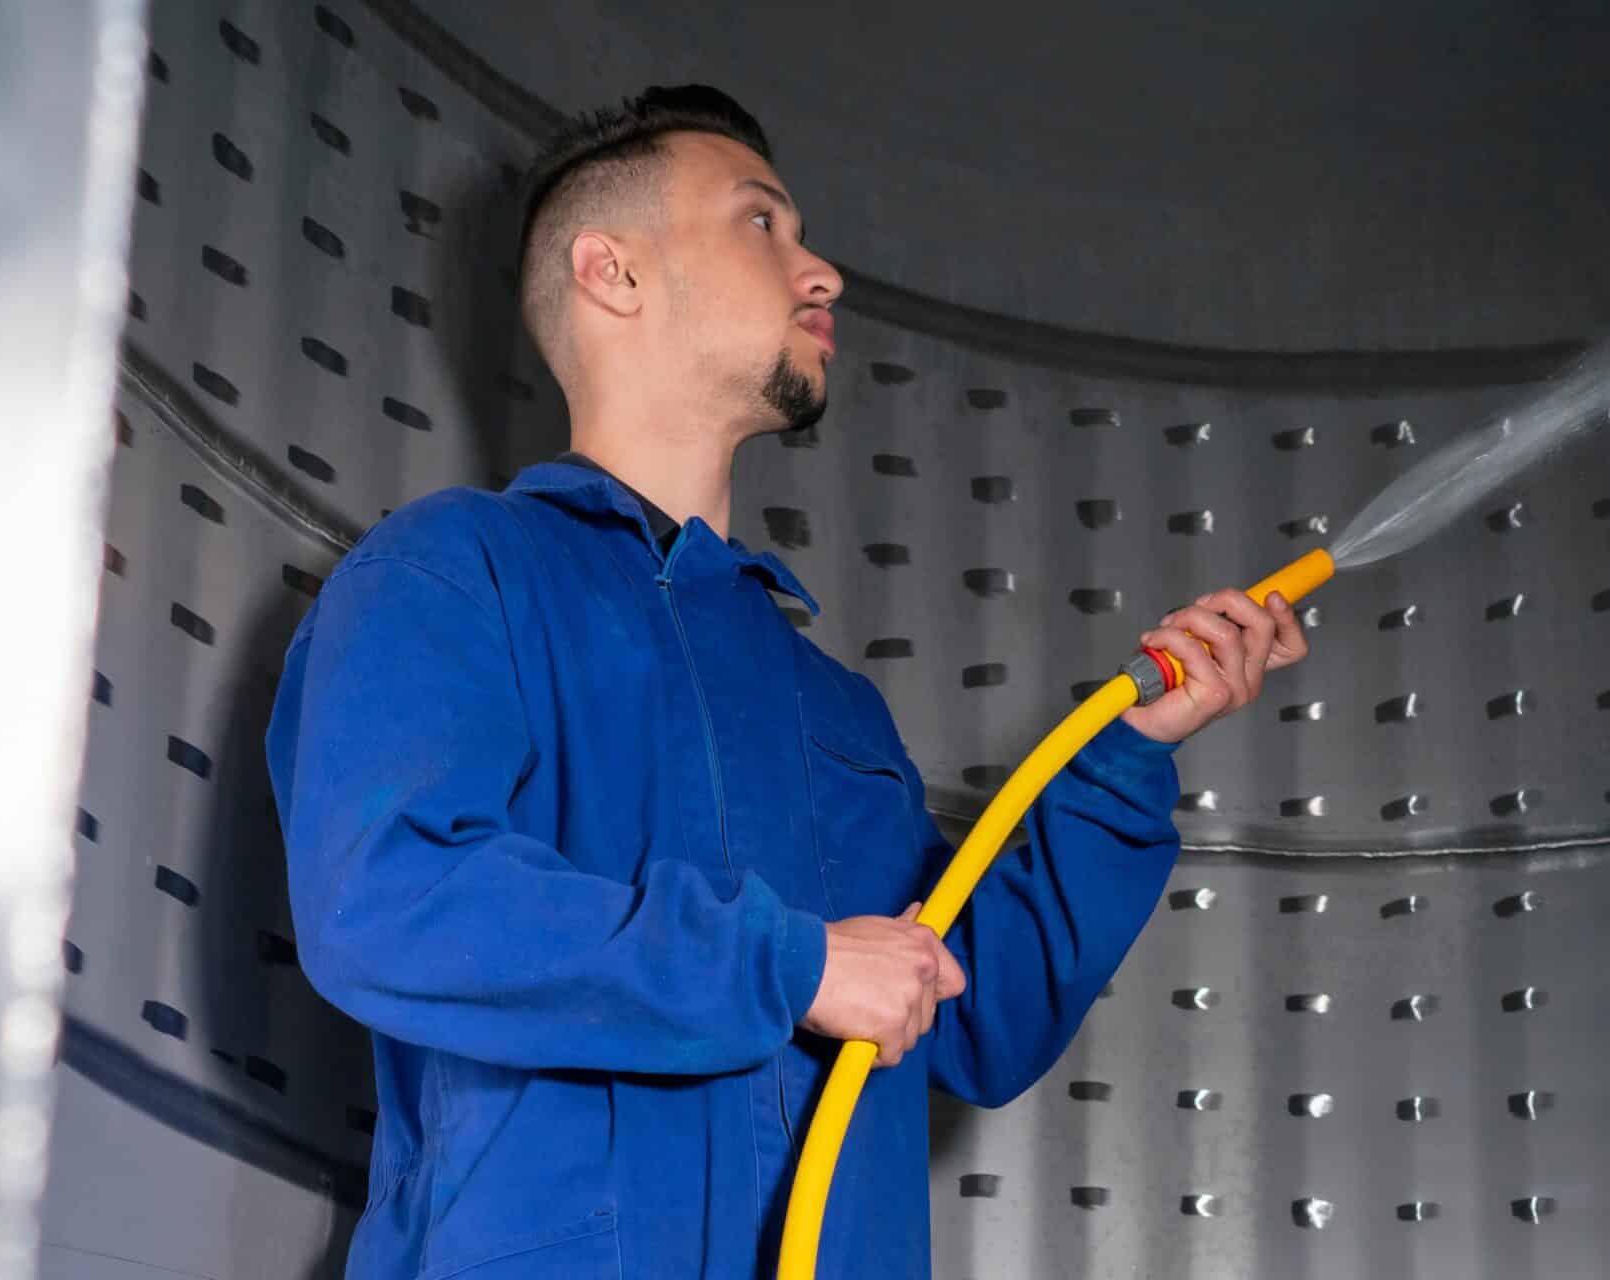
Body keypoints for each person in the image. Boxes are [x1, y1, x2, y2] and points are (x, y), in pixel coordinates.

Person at [265, 83, 1308, 1280]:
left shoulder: (828, 704)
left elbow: (974, 1013)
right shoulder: (456, 571)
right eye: (763, 224)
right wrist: (793, 964)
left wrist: (1133, 751)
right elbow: (387, 898)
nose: (824, 275)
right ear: (612, 272)